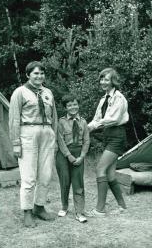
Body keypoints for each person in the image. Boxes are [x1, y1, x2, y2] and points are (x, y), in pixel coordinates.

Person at [9, 61, 58, 227]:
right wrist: (16, 143)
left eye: (42, 73)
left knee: (45, 174)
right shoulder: (20, 92)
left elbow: (55, 118)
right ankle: (27, 212)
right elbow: (14, 119)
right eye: (36, 73)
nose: (39, 76)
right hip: (27, 133)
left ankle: (39, 207)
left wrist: (55, 138)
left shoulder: (48, 93)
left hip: (47, 133)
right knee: (29, 176)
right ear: (28, 75)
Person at [87, 68, 129, 216]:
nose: (103, 82)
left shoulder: (119, 98)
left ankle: (100, 209)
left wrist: (93, 127)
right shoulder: (103, 99)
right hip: (107, 135)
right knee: (110, 175)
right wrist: (86, 128)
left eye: (107, 79)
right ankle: (122, 206)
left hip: (117, 135)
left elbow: (113, 119)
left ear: (113, 81)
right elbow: (97, 118)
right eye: (102, 79)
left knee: (100, 169)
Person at [56, 94, 90, 223]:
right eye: (69, 105)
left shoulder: (83, 121)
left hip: (78, 153)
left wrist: (82, 156)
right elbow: (59, 140)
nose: (73, 107)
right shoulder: (61, 121)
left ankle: (79, 212)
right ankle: (64, 206)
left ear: (78, 105)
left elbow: (86, 141)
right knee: (65, 182)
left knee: (78, 183)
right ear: (65, 107)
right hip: (63, 155)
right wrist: (68, 156)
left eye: (75, 104)